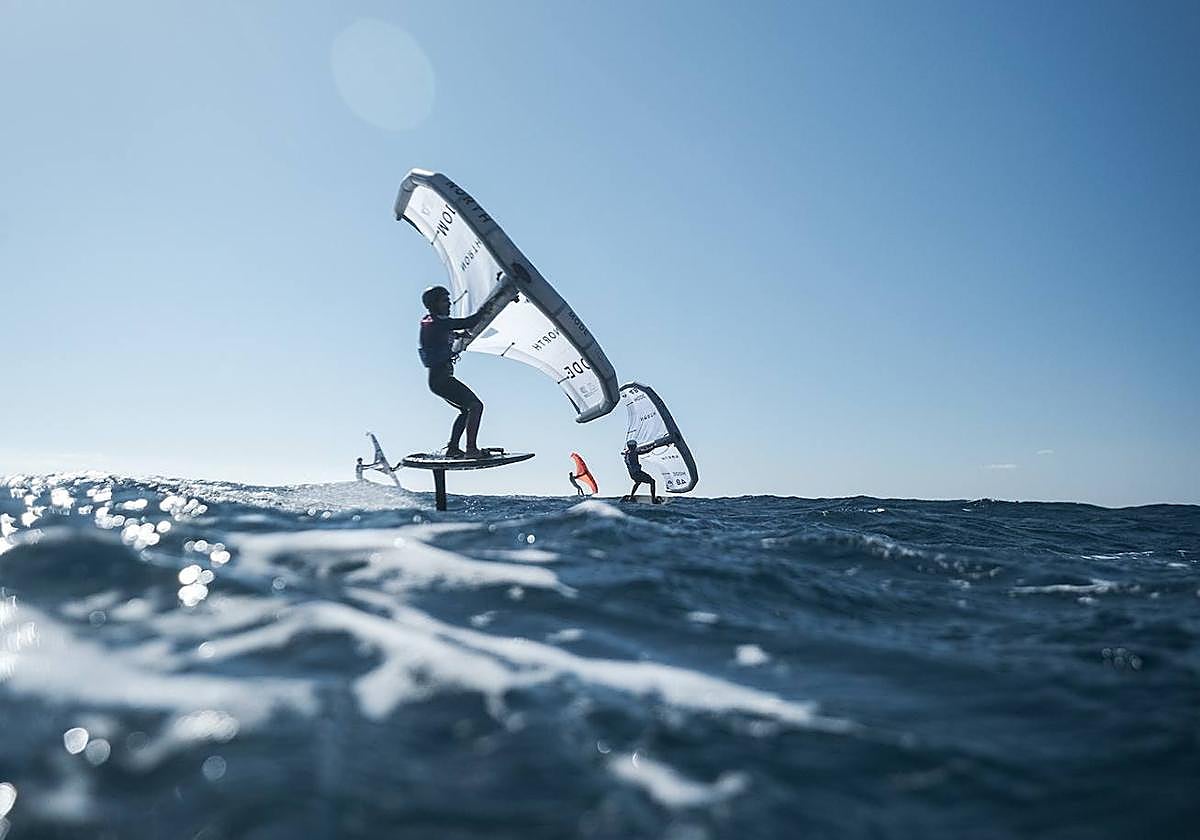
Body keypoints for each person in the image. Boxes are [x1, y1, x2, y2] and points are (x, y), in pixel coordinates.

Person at [419, 285, 488, 457]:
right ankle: (471, 449)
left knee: (466, 410)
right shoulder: (437, 322)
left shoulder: (434, 323)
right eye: (445, 301)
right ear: (434, 304)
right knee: (476, 406)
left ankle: (452, 448)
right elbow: (469, 322)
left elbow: (440, 336)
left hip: (438, 381)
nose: (449, 304)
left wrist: (458, 335)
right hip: (441, 380)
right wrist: (489, 305)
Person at [621, 439, 662, 503]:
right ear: (633, 446)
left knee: (638, 482)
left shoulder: (627, 453)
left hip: (632, 474)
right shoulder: (633, 452)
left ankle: (631, 496)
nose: (636, 446)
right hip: (637, 473)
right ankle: (653, 499)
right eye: (635, 446)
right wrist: (654, 446)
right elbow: (644, 451)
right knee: (652, 481)